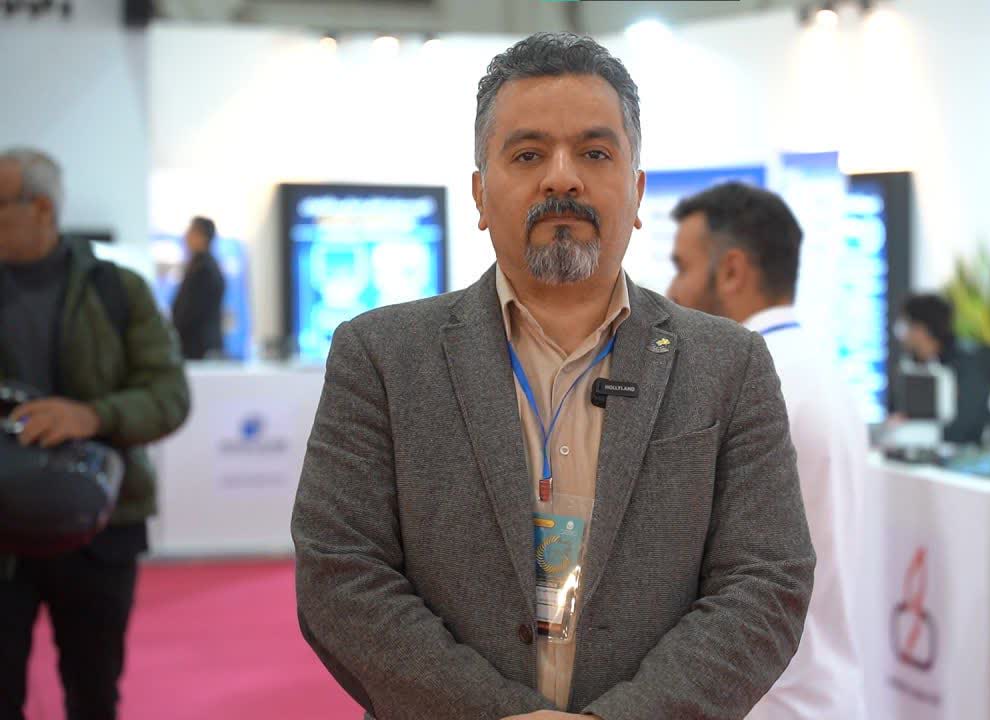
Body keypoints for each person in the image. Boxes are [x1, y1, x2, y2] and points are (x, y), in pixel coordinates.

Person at [291, 33, 815, 720]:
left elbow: (766, 580)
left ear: (637, 192)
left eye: (595, 153)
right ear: (480, 195)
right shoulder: (381, 357)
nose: (561, 178)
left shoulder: (729, 364)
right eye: (528, 154)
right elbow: (340, 574)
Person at [0, 147, 190, 719]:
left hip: (102, 527)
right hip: (3, 532)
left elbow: (169, 396)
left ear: (40, 207)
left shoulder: (119, 289)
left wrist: (92, 416)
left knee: (93, 694)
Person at [667, 181, 868, 720]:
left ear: (731, 272)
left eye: (682, 268)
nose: (672, 291)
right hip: (824, 693)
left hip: (766, 700)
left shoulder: (749, 385)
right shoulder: (825, 374)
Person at [896, 293, 990, 444]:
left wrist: (914, 433)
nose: (901, 333)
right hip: (921, 448)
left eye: (905, 325)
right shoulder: (909, 365)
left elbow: (965, 426)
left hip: (968, 450)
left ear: (921, 330)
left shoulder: (968, 366)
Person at [171, 215, 225, 360]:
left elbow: (191, 311)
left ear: (202, 237)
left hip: (199, 347)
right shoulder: (201, 265)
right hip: (197, 345)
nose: (186, 237)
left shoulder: (204, 269)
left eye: (191, 232)